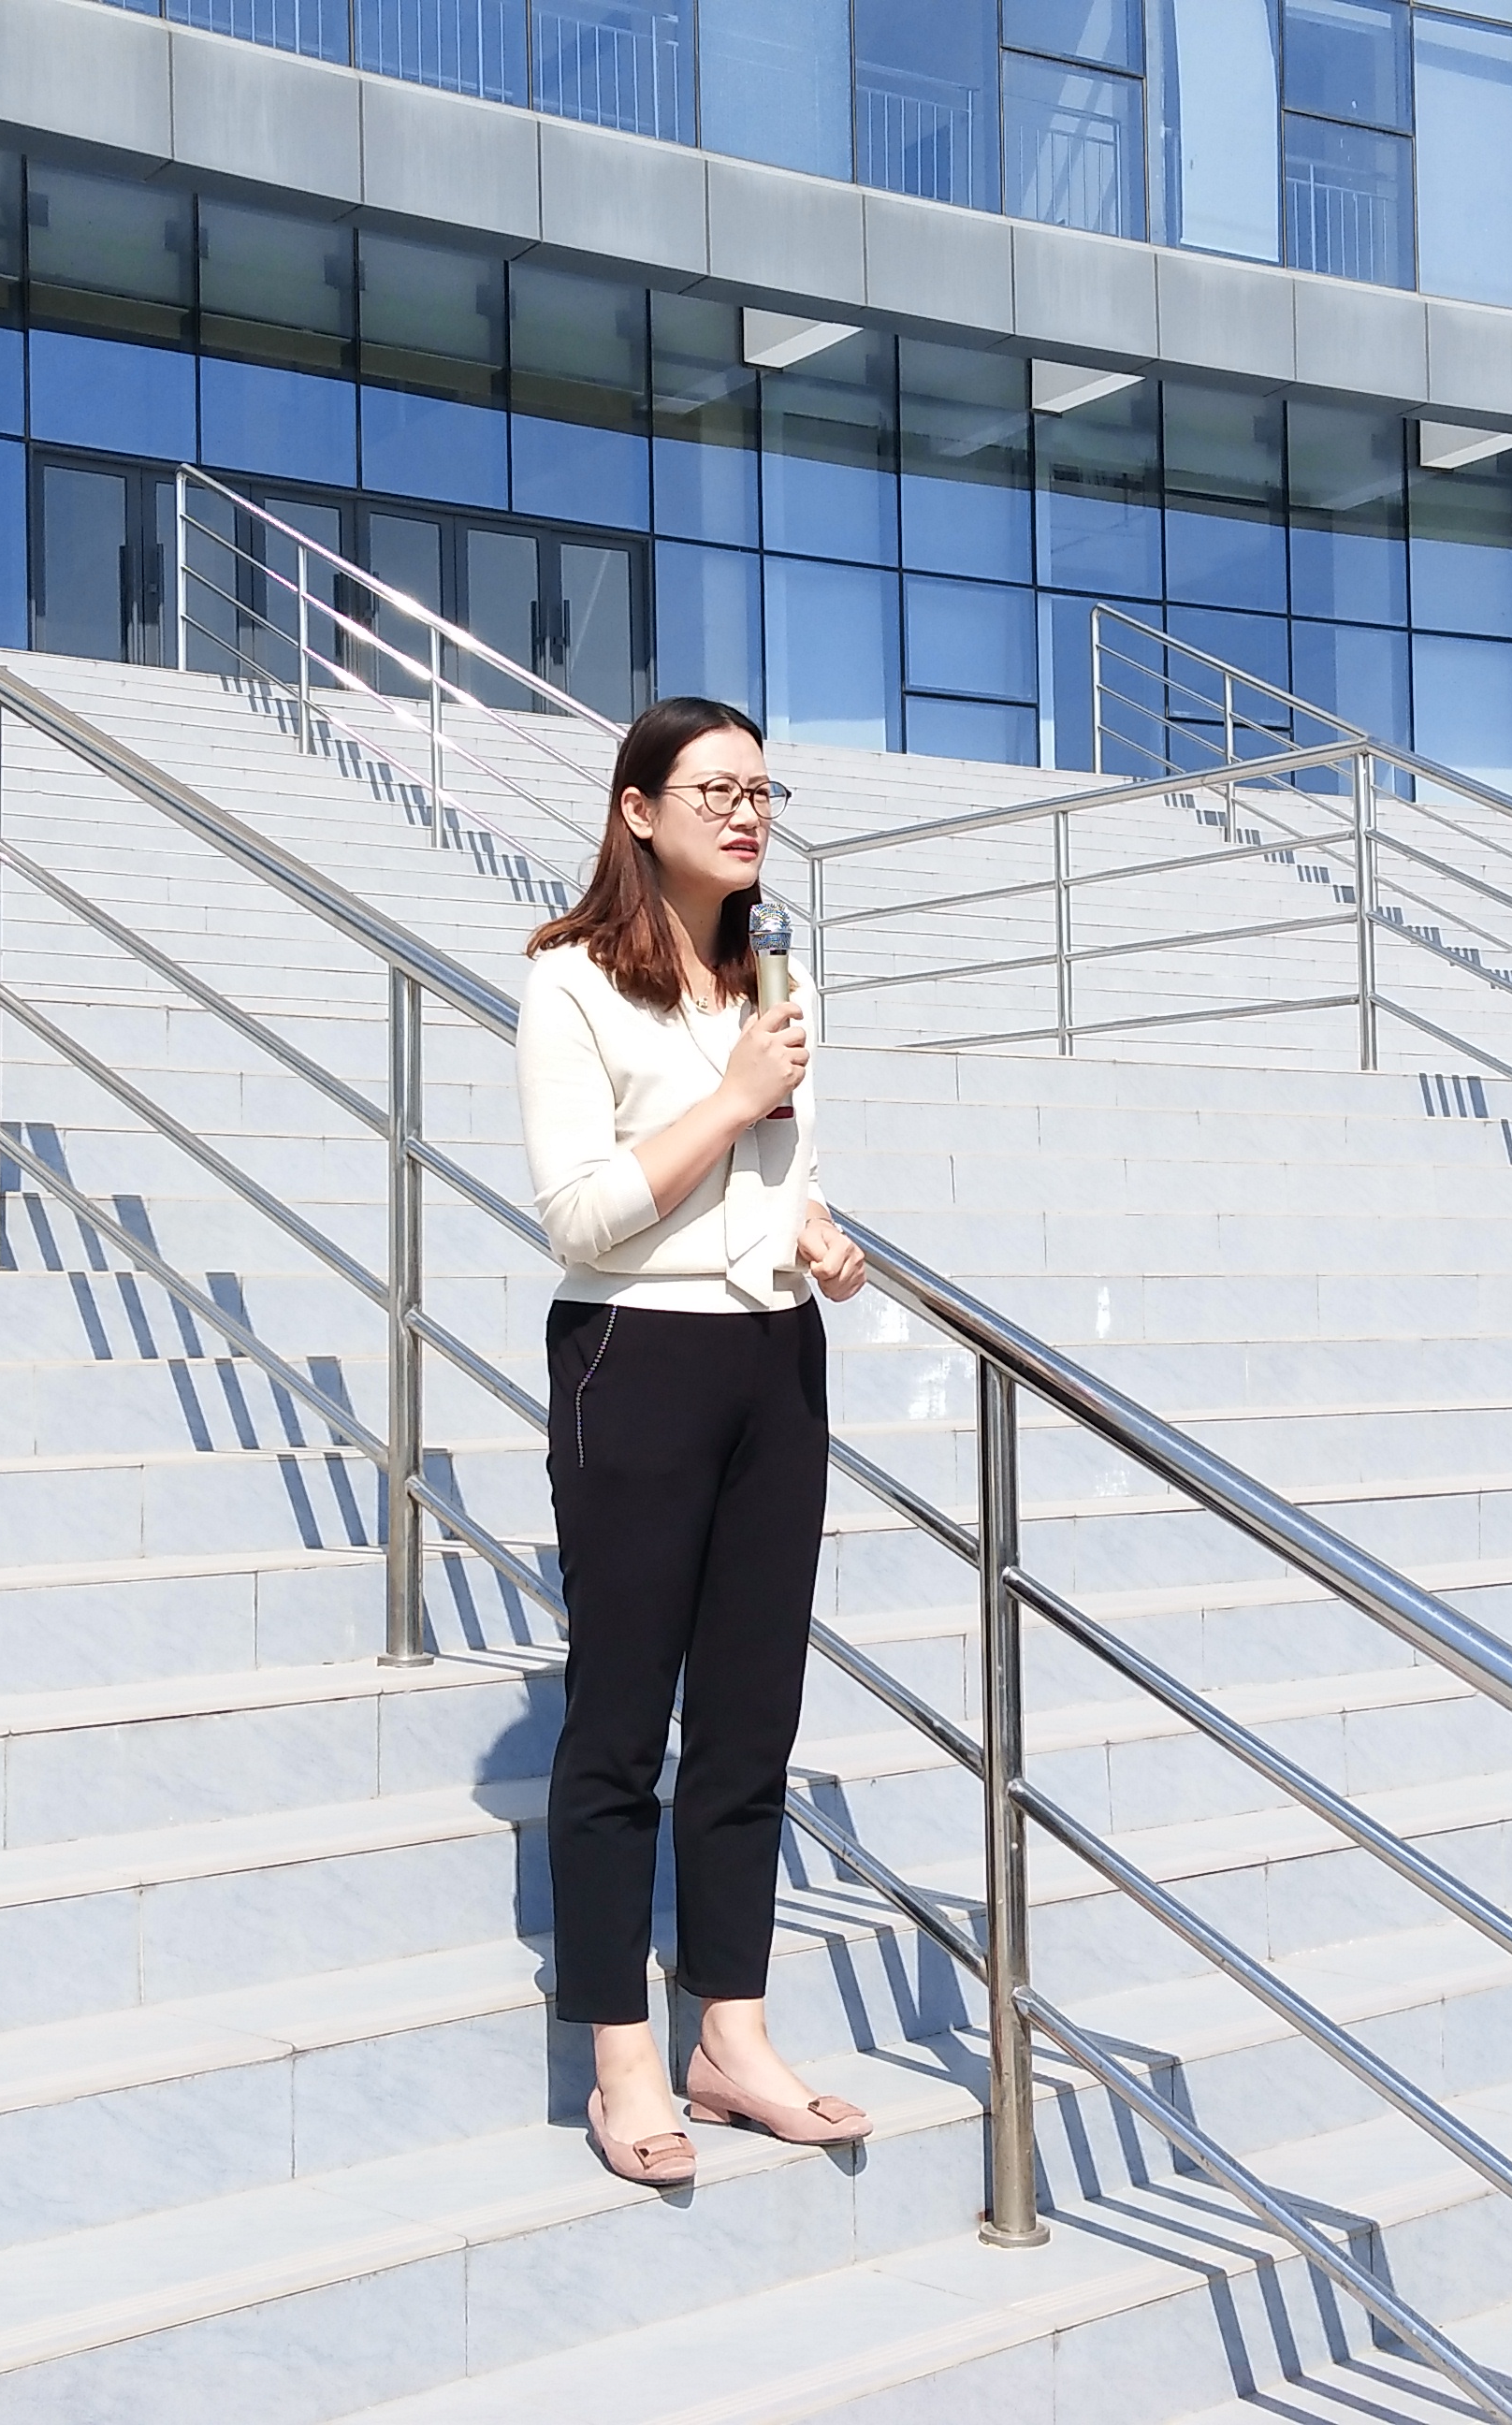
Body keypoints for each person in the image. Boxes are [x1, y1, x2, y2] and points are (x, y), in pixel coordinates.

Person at [517, 694, 875, 2189]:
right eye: (715, 789)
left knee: (749, 1719)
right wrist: (732, 1102)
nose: (746, 813)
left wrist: (817, 1230)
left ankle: (731, 2033)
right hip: (637, 1358)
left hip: (774, 1358)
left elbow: (779, 1174)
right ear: (637, 809)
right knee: (620, 1724)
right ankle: (622, 2057)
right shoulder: (568, 983)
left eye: (762, 790)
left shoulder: (776, 979)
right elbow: (580, 1216)